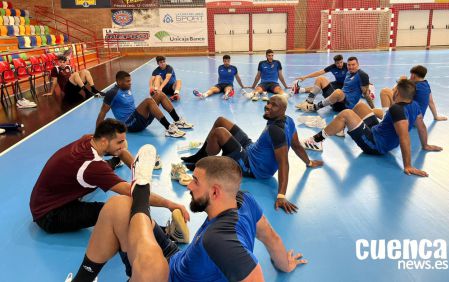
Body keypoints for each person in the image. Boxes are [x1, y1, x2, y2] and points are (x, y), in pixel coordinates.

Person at [66, 154, 307, 282]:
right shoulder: (244, 200)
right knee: (118, 205)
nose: (189, 186)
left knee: (152, 265)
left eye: (195, 182)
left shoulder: (219, 240)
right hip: (179, 259)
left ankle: (142, 188)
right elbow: (271, 237)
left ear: (215, 192)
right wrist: (285, 265)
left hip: (163, 276)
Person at [29, 119, 189, 234]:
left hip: (45, 198)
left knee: (106, 167)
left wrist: (138, 170)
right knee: (119, 209)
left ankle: (114, 160)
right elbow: (133, 192)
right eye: (120, 142)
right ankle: (167, 232)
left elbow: (122, 150)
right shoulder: (92, 167)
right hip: (49, 215)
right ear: (104, 141)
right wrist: (169, 204)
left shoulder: (89, 139)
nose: (124, 145)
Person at [181, 95, 323, 213]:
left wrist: (281, 195)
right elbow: (297, 145)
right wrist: (309, 162)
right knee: (221, 121)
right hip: (251, 148)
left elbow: (284, 162)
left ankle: (202, 163)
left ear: (283, 109)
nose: (268, 106)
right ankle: (198, 157)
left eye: (273, 105)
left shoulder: (276, 131)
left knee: (219, 133)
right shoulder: (288, 120)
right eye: (268, 103)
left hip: (251, 166)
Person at [303, 79, 442, 176]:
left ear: (398, 93)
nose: (392, 91)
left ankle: (316, 141)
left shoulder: (397, 110)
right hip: (378, 131)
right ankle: (339, 128)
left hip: (376, 145)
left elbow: (404, 137)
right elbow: (422, 127)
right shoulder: (414, 105)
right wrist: (426, 145)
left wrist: (408, 165)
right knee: (360, 106)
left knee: (346, 114)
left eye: (395, 89)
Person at [96, 71, 192, 138]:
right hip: (129, 125)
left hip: (138, 120)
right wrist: (97, 133)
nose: (130, 83)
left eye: (130, 80)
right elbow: (102, 112)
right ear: (119, 82)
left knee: (159, 94)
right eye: (128, 81)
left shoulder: (126, 89)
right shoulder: (112, 93)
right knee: (148, 101)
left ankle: (177, 121)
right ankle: (169, 129)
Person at [296, 56, 375, 112]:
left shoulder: (362, 75)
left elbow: (366, 94)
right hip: (335, 100)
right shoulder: (348, 72)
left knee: (338, 92)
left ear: (358, 64)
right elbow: (320, 72)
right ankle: (309, 102)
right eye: (349, 65)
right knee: (321, 79)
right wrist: (305, 77)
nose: (351, 67)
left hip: (345, 105)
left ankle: (315, 107)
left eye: (353, 65)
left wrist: (373, 109)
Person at [378, 65, 447, 121]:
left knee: (385, 91)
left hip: (408, 118)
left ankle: (386, 119)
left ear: (413, 75)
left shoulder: (413, 86)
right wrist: (436, 116)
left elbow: (395, 95)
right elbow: (431, 102)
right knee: (374, 111)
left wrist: (400, 82)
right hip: (418, 119)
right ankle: (386, 115)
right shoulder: (426, 84)